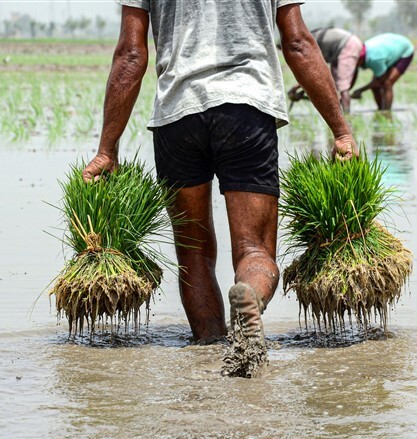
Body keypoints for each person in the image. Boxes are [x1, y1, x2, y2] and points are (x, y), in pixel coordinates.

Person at [81, 1, 357, 376]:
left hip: (178, 114)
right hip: (246, 107)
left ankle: (209, 352)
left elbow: (131, 53)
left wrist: (107, 148)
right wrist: (340, 131)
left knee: (193, 254)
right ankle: (250, 300)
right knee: (254, 250)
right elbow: (297, 42)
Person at [287, 27, 364, 113]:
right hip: (340, 50)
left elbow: (315, 72)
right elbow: (319, 76)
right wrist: (301, 89)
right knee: (334, 86)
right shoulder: (308, 39)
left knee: (343, 88)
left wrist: (296, 87)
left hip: (347, 46)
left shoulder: (306, 46)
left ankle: (348, 119)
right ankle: (341, 112)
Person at [350, 33, 414, 111]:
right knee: (375, 87)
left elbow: (379, 81)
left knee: (387, 83)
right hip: (387, 51)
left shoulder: (374, 59)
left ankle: (386, 112)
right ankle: (380, 110)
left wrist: (360, 90)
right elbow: (353, 75)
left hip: (404, 50)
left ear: (360, 60)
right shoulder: (358, 55)